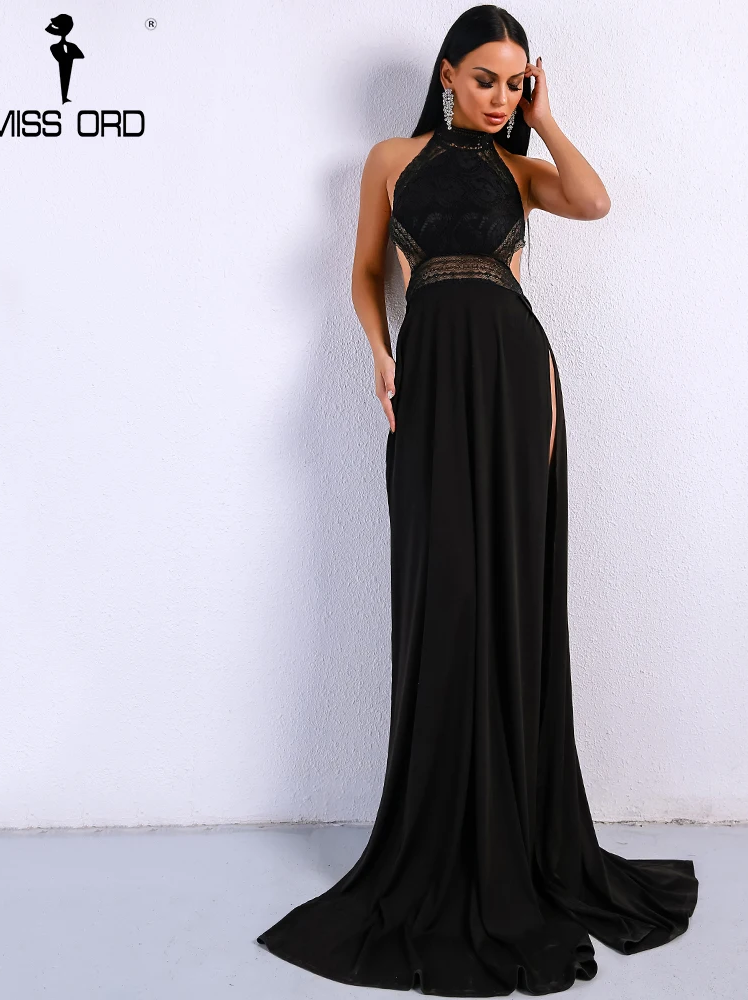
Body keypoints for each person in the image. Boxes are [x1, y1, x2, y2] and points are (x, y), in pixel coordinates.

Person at [256, 6, 698, 994]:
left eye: (515, 83)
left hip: (515, 376)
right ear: (447, 73)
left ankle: (519, 829)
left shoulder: (518, 167)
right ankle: (443, 827)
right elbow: (364, 270)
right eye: (486, 79)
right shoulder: (389, 160)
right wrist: (377, 352)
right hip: (428, 378)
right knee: (442, 588)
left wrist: (546, 120)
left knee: (513, 590)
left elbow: (594, 202)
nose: (500, 98)